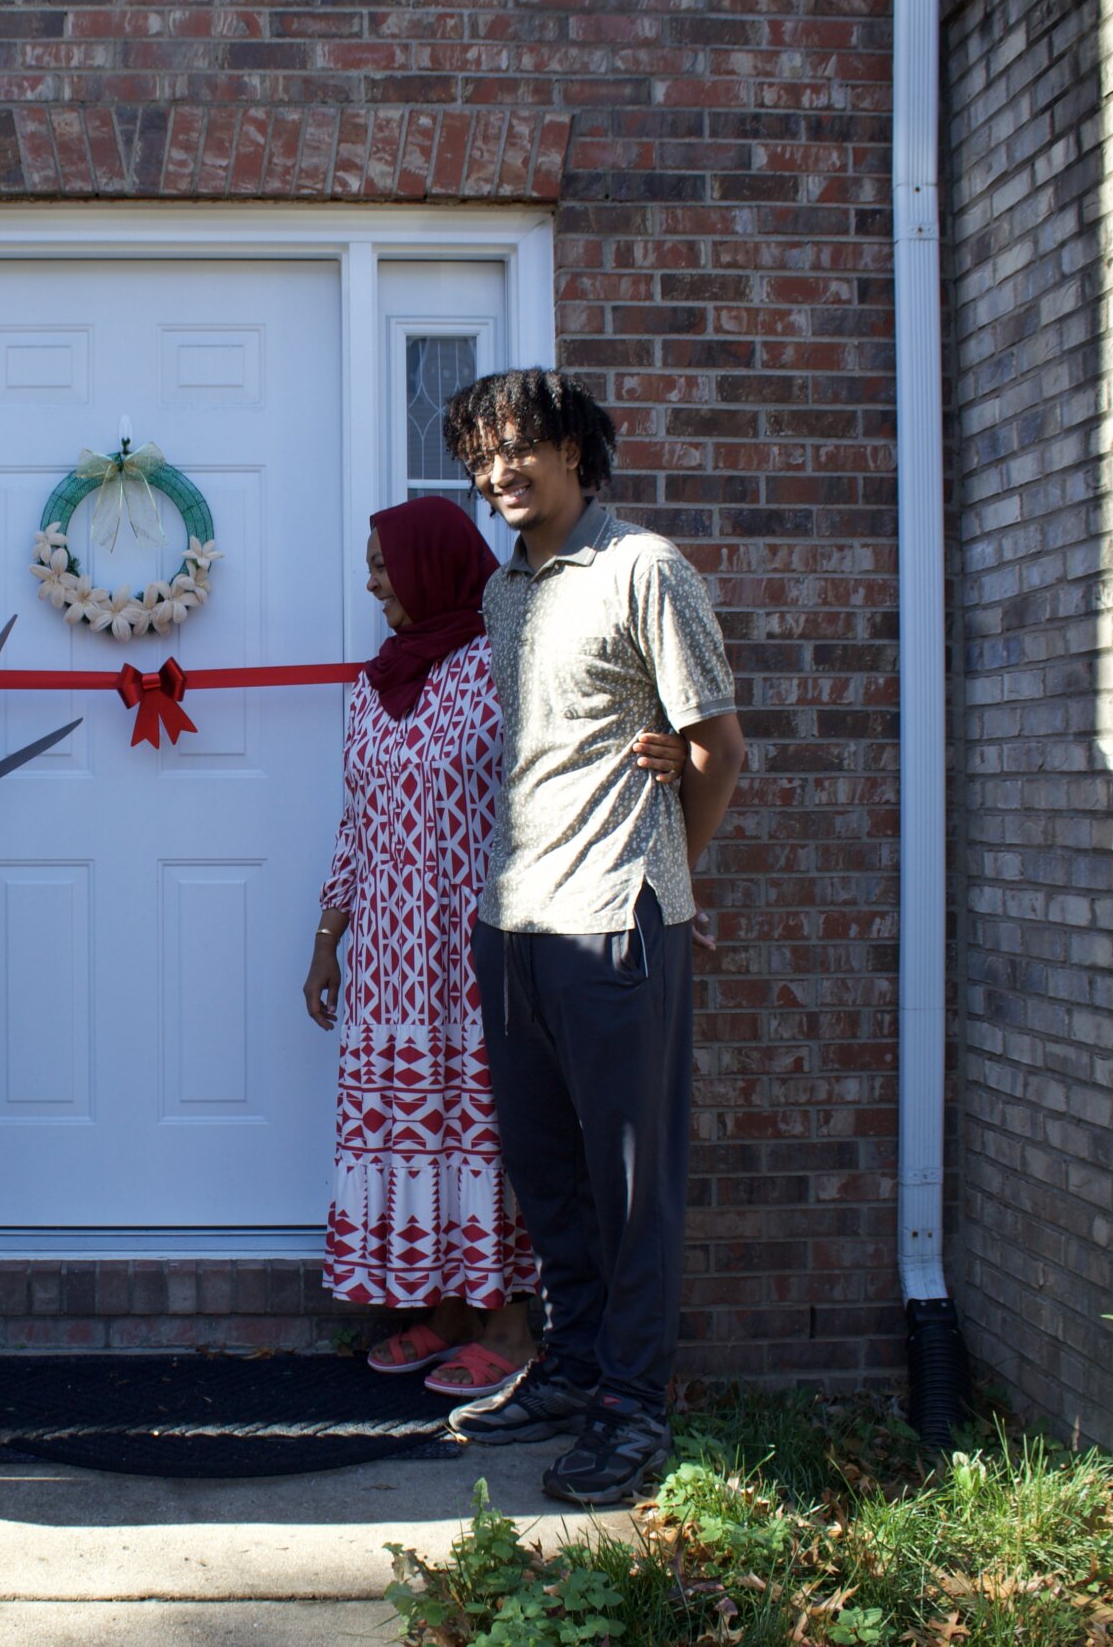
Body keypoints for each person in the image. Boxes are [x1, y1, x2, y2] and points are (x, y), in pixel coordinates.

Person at [439, 368, 746, 1507]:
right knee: (547, 1175)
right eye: (481, 453)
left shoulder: (642, 569)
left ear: (576, 451)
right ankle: (569, 1370)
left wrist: (670, 881)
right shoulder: (503, 593)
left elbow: (715, 748)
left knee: (631, 1189)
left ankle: (631, 1408)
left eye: (520, 445)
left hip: (617, 919)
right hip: (511, 921)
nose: (498, 471)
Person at [305, 497, 689, 1402]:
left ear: (431, 562)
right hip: (391, 965)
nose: (371, 581)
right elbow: (356, 821)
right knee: (419, 1130)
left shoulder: (500, 666)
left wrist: (665, 755)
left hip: (482, 948)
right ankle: (447, 1309)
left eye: (382, 563)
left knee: (492, 1132)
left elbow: (574, 759)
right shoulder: (370, 686)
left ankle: (513, 1324)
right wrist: (329, 937)